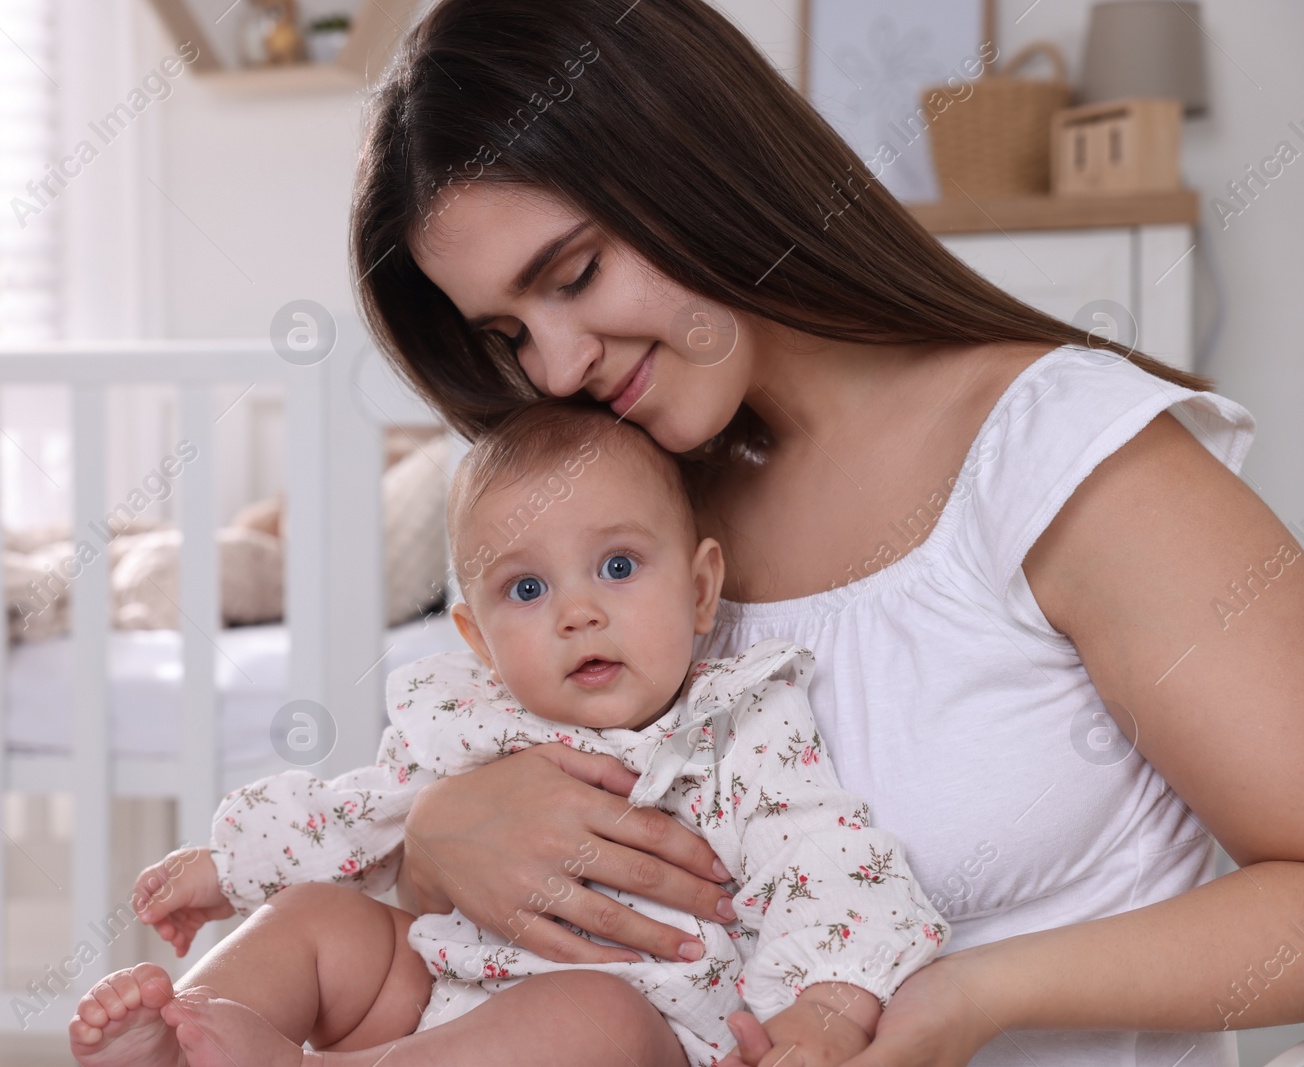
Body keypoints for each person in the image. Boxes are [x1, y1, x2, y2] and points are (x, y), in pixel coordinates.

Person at [342, 0, 1304, 1064]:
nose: (558, 368)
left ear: (692, 154)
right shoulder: (631, 517)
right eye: (509, 333)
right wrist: (431, 834)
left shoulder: (1060, 457)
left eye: (573, 275)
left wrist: (975, 991)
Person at [68, 398, 949, 1067]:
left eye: (617, 566)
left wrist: (823, 1015)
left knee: (592, 1015)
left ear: (700, 587)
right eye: (526, 589)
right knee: (319, 917)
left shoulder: (740, 726)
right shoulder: (467, 720)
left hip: (640, 1030)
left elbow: (832, 868)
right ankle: (190, 1034)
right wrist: (231, 864)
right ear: (479, 639)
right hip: (433, 1003)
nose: (577, 612)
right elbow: (362, 813)